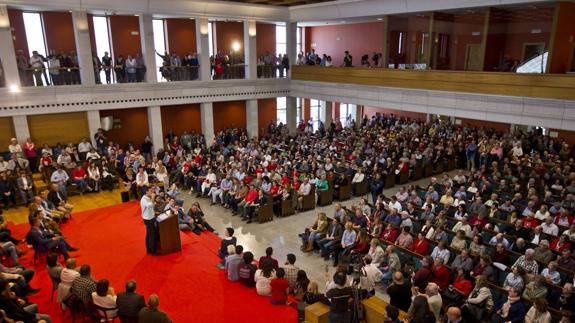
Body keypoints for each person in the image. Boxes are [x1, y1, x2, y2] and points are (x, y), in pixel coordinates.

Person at [140, 189, 157, 255]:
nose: (152, 192)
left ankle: (149, 249)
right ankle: (153, 251)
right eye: (150, 191)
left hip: (150, 218)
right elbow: (150, 205)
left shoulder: (147, 198)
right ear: (146, 192)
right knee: (151, 235)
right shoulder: (144, 200)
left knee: (149, 235)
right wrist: (153, 198)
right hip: (148, 219)